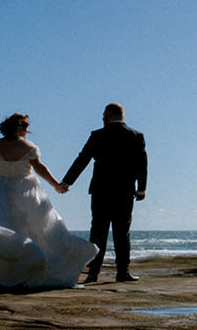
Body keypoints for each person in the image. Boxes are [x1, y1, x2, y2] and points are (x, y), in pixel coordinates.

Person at [0, 113, 97, 289]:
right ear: (22, 128)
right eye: (26, 128)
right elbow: (40, 168)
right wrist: (56, 185)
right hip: (24, 192)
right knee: (31, 228)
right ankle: (24, 268)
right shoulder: (28, 147)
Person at [61, 103, 147, 283]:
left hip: (100, 191)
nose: (102, 118)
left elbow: (82, 159)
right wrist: (141, 188)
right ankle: (123, 272)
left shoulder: (98, 135)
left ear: (108, 115)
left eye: (103, 115)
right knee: (122, 232)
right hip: (124, 191)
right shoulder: (135, 136)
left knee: (97, 232)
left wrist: (67, 182)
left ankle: (93, 274)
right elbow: (141, 164)